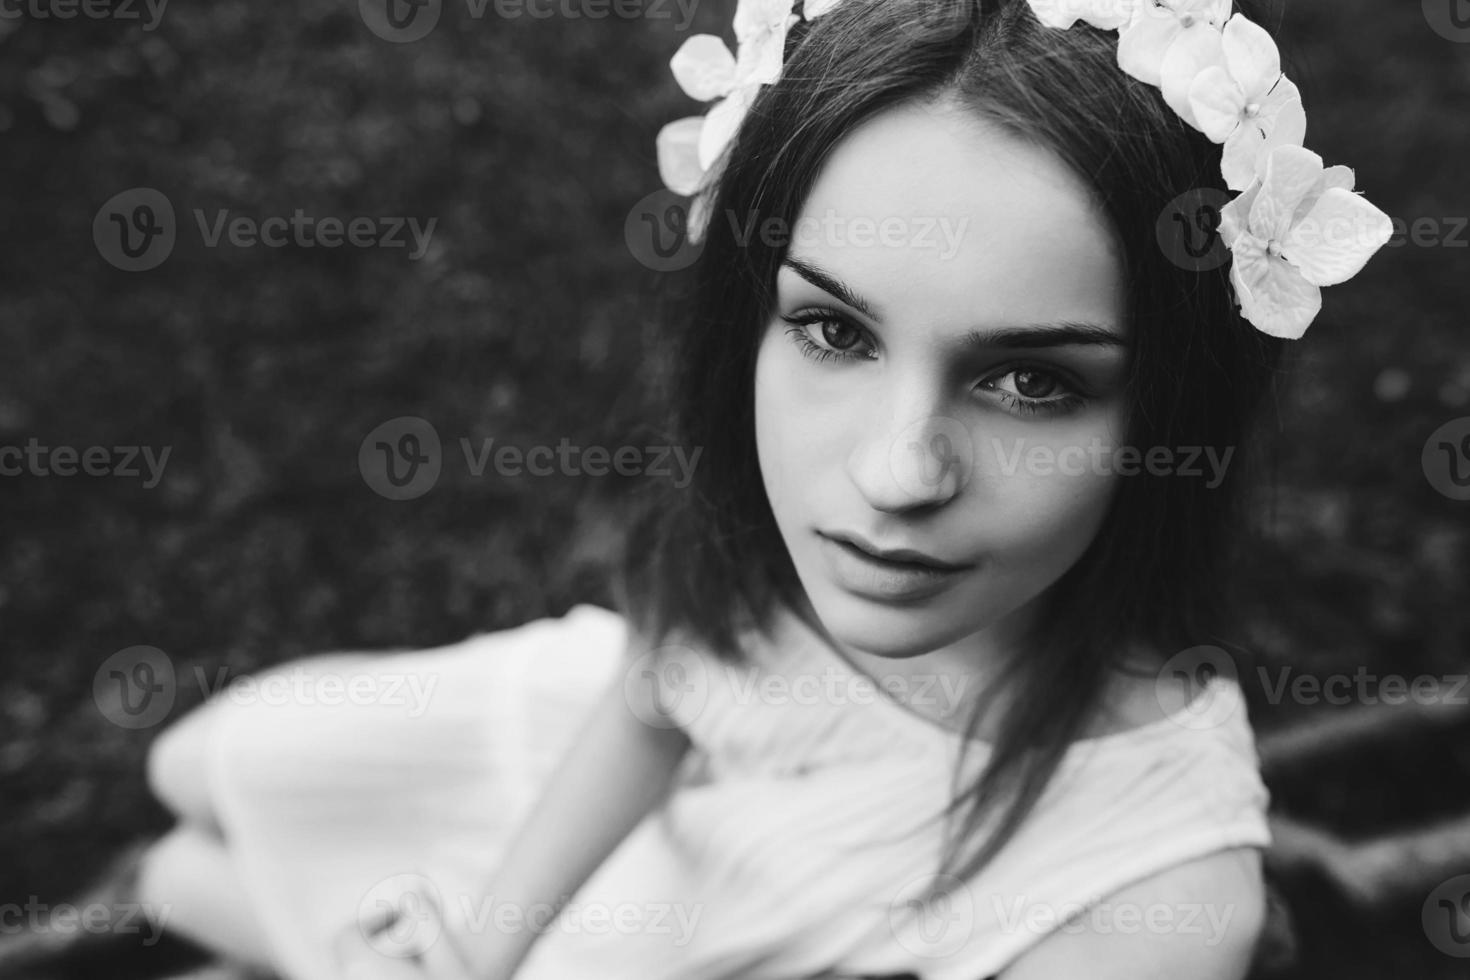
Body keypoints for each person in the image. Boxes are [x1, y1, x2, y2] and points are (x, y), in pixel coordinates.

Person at [114, 1, 1394, 978]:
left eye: (1030, 383)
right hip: (593, 784)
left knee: (188, 878)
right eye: (836, 334)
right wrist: (483, 947)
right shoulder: (774, 547)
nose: (894, 475)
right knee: (191, 781)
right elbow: (660, 693)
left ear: (1169, 410)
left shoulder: (1152, 903)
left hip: (693, 935)